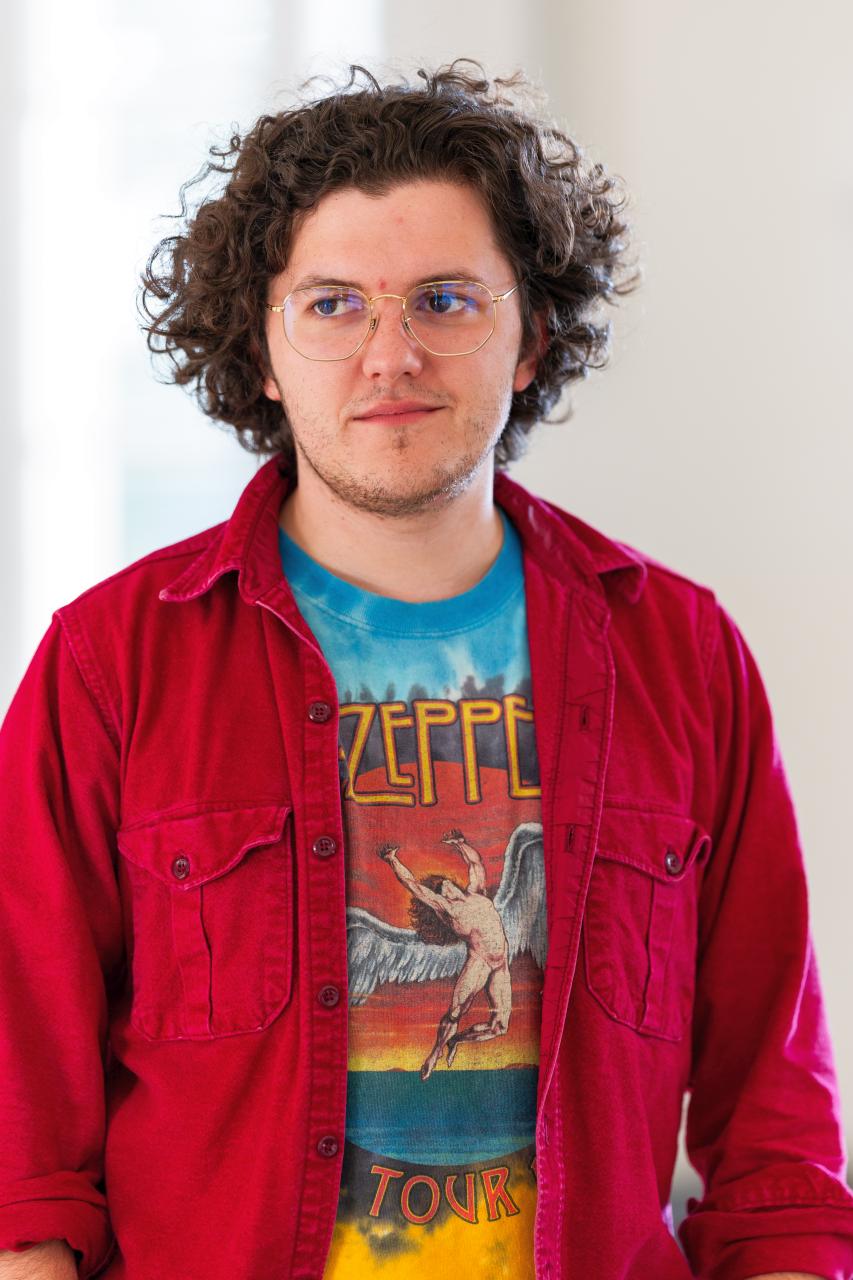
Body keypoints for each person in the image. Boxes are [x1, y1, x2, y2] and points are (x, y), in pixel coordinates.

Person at [0, 59, 850, 1280]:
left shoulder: (682, 654)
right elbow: (20, 1132)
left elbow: (776, 1139)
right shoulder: (111, 664)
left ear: (529, 338)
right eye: (332, 304)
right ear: (262, 349)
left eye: (445, 300)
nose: (390, 354)